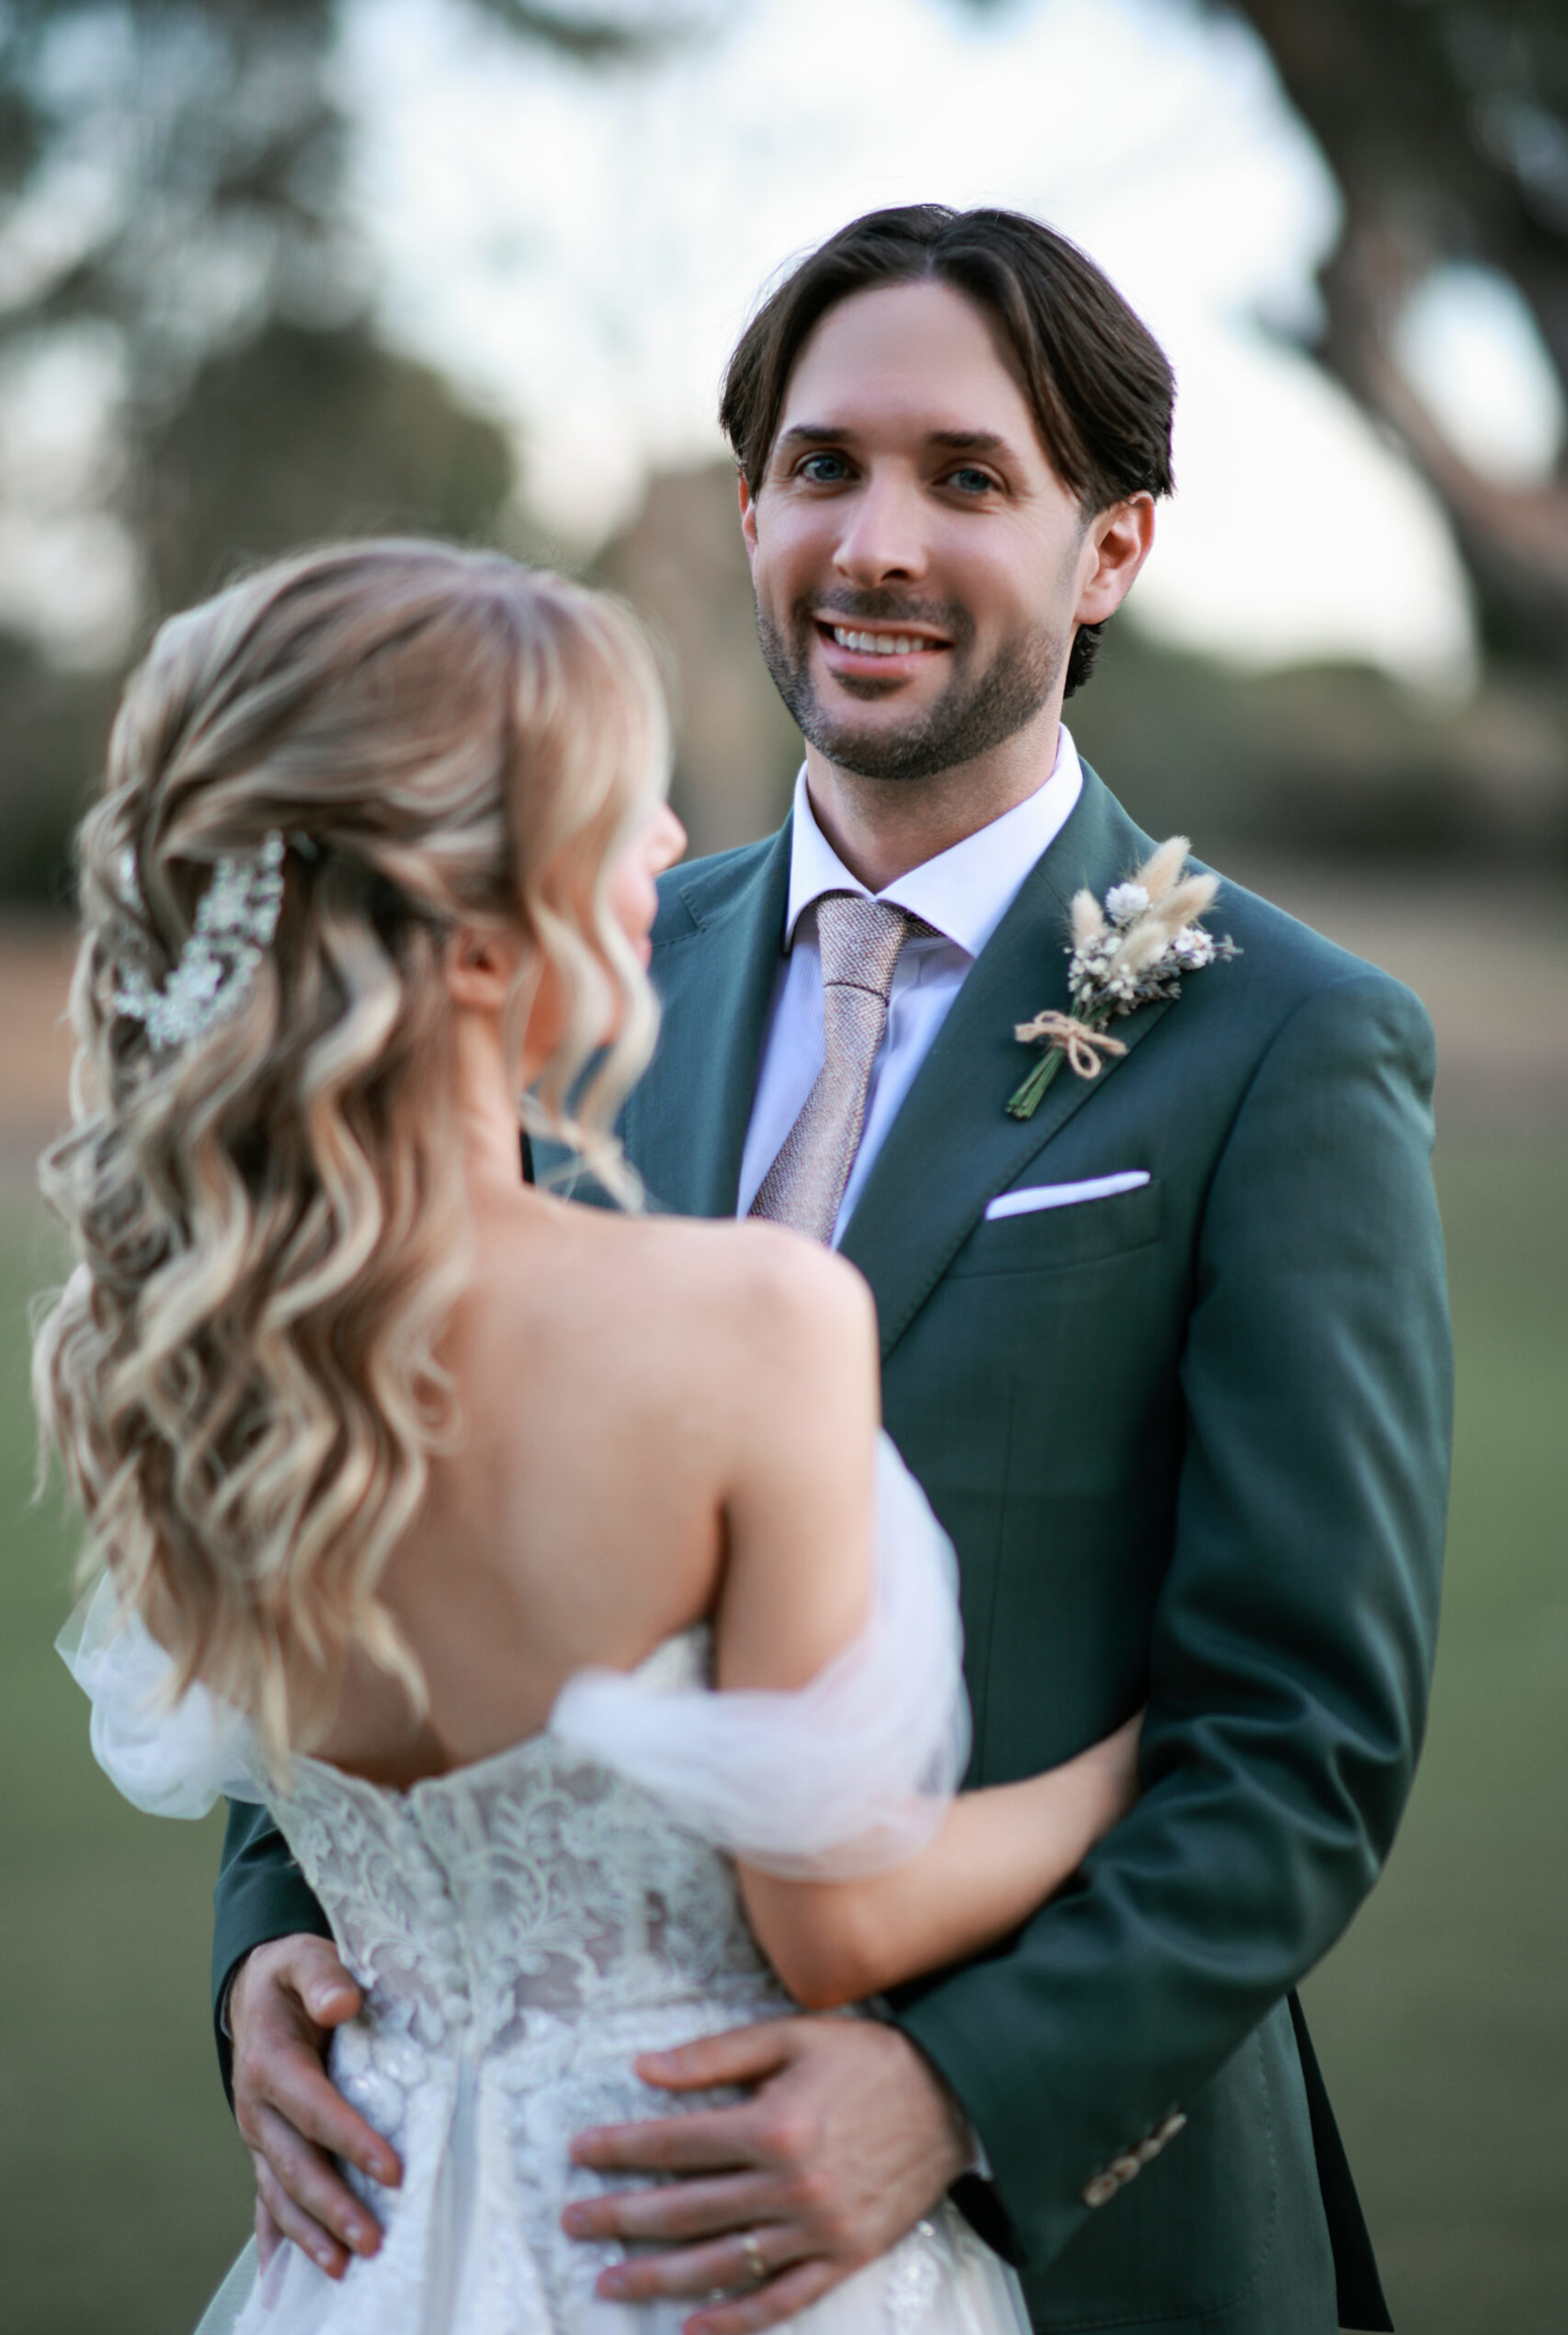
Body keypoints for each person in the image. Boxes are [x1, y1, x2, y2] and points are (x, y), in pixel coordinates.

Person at [212, 207, 1452, 2335]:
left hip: (1075, 2238)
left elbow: (1304, 1733)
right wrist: (268, 1938)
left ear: (1112, 550)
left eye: (968, 479)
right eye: (823, 466)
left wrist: (961, 2094)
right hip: (510, 2212)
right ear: (753, 505)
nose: (875, 540)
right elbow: (356, 1493)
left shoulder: (1284, 1038)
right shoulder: (554, 969)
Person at [44, 538, 1150, 2335]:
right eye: (617, 810)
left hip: (368, 2254)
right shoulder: (745, 1325)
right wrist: (1131, 1758)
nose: (668, 855)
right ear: (478, 934)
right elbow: (834, 1928)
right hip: (715, 2252)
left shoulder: (185, 1365)